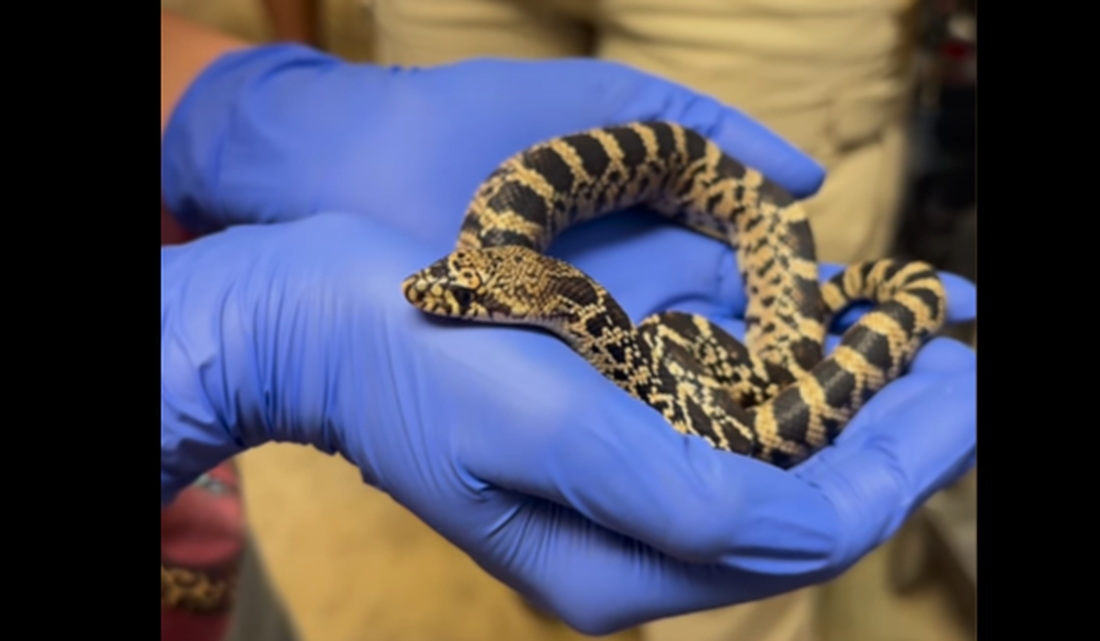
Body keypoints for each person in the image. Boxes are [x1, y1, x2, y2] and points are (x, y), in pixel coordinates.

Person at [160, 9, 978, 641]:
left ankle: (887, 298)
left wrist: (228, 103)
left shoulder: (584, 312)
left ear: (531, 300)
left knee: (715, 545)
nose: (439, 294)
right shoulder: (550, 294)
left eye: (471, 297)